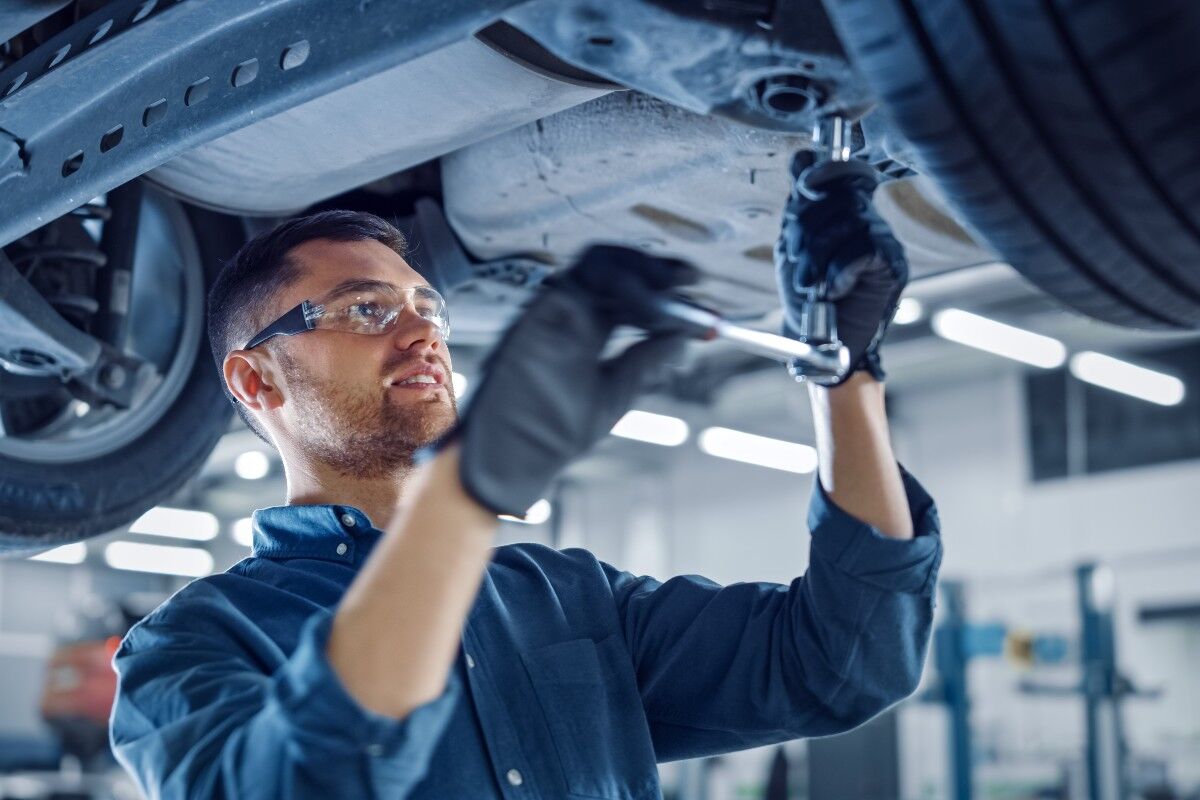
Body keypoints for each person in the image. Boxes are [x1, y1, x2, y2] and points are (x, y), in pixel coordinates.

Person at [109, 152, 942, 799]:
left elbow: (844, 661)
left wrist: (846, 374)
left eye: (428, 309)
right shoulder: (189, 647)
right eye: (367, 310)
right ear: (256, 381)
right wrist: (464, 495)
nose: (421, 334)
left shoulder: (569, 599)